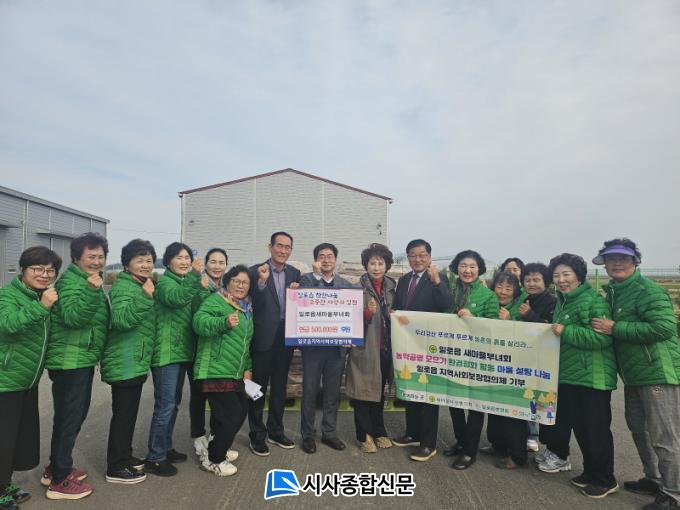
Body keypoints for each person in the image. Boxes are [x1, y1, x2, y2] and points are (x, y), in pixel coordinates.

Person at [591, 238, 680, 509]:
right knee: (639, 430)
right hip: (634, 375)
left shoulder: (648, 290)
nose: (616, 263)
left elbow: (664, 327)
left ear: (635, 261)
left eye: (623, 258)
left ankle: (674, 494)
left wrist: (615, 327)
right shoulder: (615, 292)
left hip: (658, 374)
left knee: (665, 436)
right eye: (611, 258)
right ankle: (653, 479)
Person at [538, 253, 618, 499]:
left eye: (566, 274)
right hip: (572, 375)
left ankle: (605, 479)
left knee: (595, 430)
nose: (561, 280)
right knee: (582, 429)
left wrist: (566, 331)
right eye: (556, 275)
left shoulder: (593, 301)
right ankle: (590, 472)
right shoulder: (564, 301)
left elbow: (602, 339)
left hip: (592, 376)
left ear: (579, 276)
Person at [43, 233, 109, 500]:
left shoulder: (84, 279)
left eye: (101, 256)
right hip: (70, 361)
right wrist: (92, 293)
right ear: (76, 258)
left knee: (69, 417)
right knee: (70, 418)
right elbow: (73, 318)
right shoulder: (72, 282)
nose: (97, 261)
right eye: (91, 256)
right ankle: (60, 480)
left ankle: (55, 468)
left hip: (79, 358)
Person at [0, 247, 62, 509]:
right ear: (23, 270)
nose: (44, 274)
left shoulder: (41, 295)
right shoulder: (7, 295)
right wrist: (42, 307)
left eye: (50, 270)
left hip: (27, 380)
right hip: (6, 380)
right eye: (37, 269)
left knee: (16, 439)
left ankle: (4, 483)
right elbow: (8, 324)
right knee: (3, 440)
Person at [145, 242, 204, 476]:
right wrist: (195, 277)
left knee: (173, 404)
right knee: (165, 405)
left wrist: (202, 287)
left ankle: (165, 447)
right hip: (166, 354)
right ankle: (155, 457)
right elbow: (177, 299)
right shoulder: (165, 283)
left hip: (180, 352)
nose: (184, 261)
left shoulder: (183, 281)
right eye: (179, 257)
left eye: (187, 257)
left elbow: (196, 305)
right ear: (168, 261)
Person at [101, 239, 155, 485]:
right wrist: (145, 297)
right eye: (140, 260)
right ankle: (116, 466)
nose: (146, 265)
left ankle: (125, 455)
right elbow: (121, 320)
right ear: (126, 264)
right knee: (123, 416)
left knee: (128, 414)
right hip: (125, 362)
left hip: (133, 360)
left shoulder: (137, 284)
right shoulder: (125, 287)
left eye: (149, 260)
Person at [392, 239, 452, 462]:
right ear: (408, 258)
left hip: (429, 346)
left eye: (422, 255)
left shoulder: (438, 278)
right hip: (407, 345)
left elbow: (446, 305)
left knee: (428, 394)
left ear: (429, 257)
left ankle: (428, 443)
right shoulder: (404, 280)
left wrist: (437, 282)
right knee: (410, 388)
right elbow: (399, 307)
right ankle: (412, 433)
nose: (417, 259)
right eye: (412, 255)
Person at [192, 265, 254, 476]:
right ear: (227, 282)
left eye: (245, 283)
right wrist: (223, 322)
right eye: (237, 281)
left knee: (240, 411)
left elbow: (245, 344)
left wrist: (247, 367)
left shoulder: (245, 308)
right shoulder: (216, 301)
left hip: (235, 371)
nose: (241, 286)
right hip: (214, 369)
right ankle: (214, 460)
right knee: (231, 414)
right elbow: (199, 323)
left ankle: (217, 446)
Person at [444, 249, 499, 470]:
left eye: (472, 266)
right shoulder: (449, 290)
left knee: (476, 405)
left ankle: (470, 451)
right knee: (454, 402)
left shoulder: (488, 295)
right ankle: (461, 441)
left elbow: (494, 327)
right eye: (463, 266)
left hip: (477, 357)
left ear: (479, 269)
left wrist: (472, 318)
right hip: (453, 353)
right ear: (456, 268)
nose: (467, 270)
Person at [247, 232, 301, 456]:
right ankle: (257, 435)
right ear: (270, 247)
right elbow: (251, 302)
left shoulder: (294, 273)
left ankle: (276, 431)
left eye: (287, 247)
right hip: (262, 337)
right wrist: (261, 282)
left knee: (280, 387)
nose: (283, 250)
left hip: (285, 338)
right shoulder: (255, 271)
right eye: (279, 246)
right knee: (257, 388)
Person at [298, 243, 353, 454]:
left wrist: (351, 335)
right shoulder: (306, 281)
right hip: (312, 349)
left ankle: (329, 433)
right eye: (322, 256)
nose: (326, 260)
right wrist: (316, 276)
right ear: (316, 260)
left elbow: (352, 315)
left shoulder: (346, 285)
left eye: (330, 256)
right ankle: (308, 435)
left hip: (336, 350)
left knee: (332, 393)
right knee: (310, 392)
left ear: (335, 259)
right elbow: (304, 303)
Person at [346, 244, 396, 454]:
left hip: (385, 349)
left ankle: (379, 431)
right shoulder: (356, 289)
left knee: (378, 392)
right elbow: (347, 320)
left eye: (380, 263)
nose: (376, 267)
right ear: (365, 265)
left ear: (387, 265)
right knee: (361, 393)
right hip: (365, 349)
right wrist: (366, 314)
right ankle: (363, 435)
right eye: (372, 263)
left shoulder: (392, 288)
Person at [484, 271, 529, 470]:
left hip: (515, 369)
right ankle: (498, 446)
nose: (502, 292)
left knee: (514, 412)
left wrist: (510, 321)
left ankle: (517, 455)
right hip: (494, 365)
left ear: (515, 291)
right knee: (494, 408)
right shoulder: (491, 305)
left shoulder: (521, 308)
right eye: (499, 287)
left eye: (508, 288)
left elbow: (528, 335)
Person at [190, 248, 229, 460]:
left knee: (217, 397)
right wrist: (201, 288)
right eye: (213, 262)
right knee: (198, 395)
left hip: (219, 350)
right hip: (200, 348)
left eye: (221, 262)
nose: (217, 266)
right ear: (205, 264)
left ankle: (215, 438)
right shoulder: (199, 283)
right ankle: (198, 436)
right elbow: (196, 312)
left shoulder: (227, 287)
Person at [518, 262, 556, 454]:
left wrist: (530, 315)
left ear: (546, 282)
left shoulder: (552, 302)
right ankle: (528, 434)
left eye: (536, 280)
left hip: (544, 359)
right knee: (527, 395)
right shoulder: (526, 299)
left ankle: (535, 436)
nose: (531, 283)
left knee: (540, 398)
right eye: (527, 280)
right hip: (527, 356)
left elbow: (550, 328)